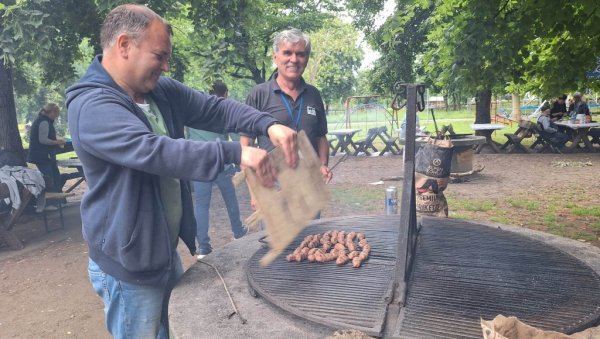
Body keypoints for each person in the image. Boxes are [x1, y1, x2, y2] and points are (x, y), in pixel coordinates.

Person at [64, 4, 297, 338]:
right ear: (125, 45)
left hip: (159, 249)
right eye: (159, 55)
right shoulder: (92, 106)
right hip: (128, 264)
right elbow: (156, 151)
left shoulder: (158, 90)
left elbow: (213, 108)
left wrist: (267, 124)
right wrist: (236, 151)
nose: (166, 65)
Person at [241, 28, 332, 198]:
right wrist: (254, 192)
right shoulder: (259, 94)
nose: (294, 59)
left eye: (300, 54)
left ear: (306, 59)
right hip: (272, 187)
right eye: (287, 53)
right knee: (275, 227)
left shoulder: (314, 94)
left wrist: (322, 164)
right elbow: (245, 144)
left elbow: (321, 137)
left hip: (309, 187)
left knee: (314, 226)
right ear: (275, 57)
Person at [187, 81, 247, 260]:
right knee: (231, 201)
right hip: (222, 165)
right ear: (225, 93)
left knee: (201, 206)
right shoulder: (223, 110)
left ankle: (203, 247)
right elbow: (237, 138)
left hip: (200, 166)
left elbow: (188, 138)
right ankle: (238, 232)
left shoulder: (194, 111)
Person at [27, 103, 66, 193]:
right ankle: (50, 203)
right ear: (52, 112)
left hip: (45, 156)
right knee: (50, 179)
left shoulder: (44, 121)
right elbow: (43, 140)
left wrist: (57, 138)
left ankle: (58, 200)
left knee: (56, 177)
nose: (57, 116)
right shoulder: (44, 122)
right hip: (42, 156)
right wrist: (57, 142)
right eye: (56, 113)